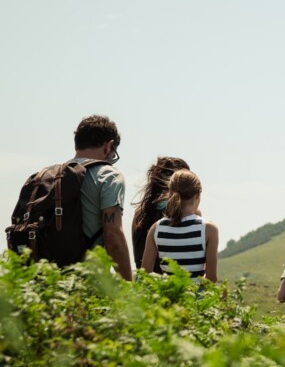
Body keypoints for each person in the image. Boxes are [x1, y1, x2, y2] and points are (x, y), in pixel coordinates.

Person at [71, 115, 133, 281]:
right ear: (109, 146)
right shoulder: (109, 175)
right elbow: (113, 236)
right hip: (90, 280)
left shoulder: (49, 177)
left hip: (49, 280)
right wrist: (130, 287)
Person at [141, 169, 219, 283]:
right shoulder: (209, 229)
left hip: (169, 297)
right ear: (197, 195)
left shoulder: (156, 228)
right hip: (197, 299)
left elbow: (144, 274)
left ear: (170, 193)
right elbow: (211, 278)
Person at [131, 157, 191, 271]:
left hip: (147, 284)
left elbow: (138, 259)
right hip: (178, 285)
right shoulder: (186, 213)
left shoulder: (139, 214)